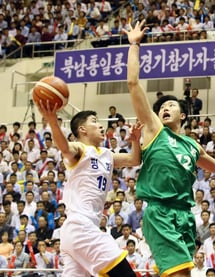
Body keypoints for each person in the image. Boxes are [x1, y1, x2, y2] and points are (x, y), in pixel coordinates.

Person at [124, 20, 215, 277]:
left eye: (171, 106)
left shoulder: (192, 145)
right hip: (160, 211)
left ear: (183, 115)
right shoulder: (153, 129)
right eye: (161, 108)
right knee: (180, 274)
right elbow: (133, 84)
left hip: (184, 215)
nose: (164, 108)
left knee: (176, 273)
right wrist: (135, 45)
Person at [36, 100, 143, 276]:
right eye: (94, 121)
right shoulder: (80, 149)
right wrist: (52, 121)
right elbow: (64, 147)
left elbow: (134, 160)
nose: (100, 126)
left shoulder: (107, 154)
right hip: (81, 227)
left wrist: (135, 140)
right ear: (82, 130)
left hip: (78, 232)